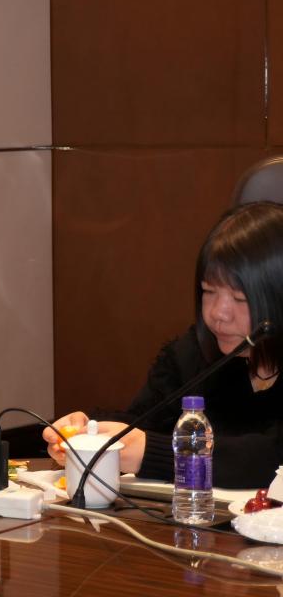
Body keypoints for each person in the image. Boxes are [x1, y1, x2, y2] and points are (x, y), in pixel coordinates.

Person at [44, 201, 283, 489]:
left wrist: (154, 454)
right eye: (209, 291)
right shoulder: (192, 355)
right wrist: (88, 431)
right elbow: (142, 422)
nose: (218, 313)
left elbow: (270, 456)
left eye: (239, 298)